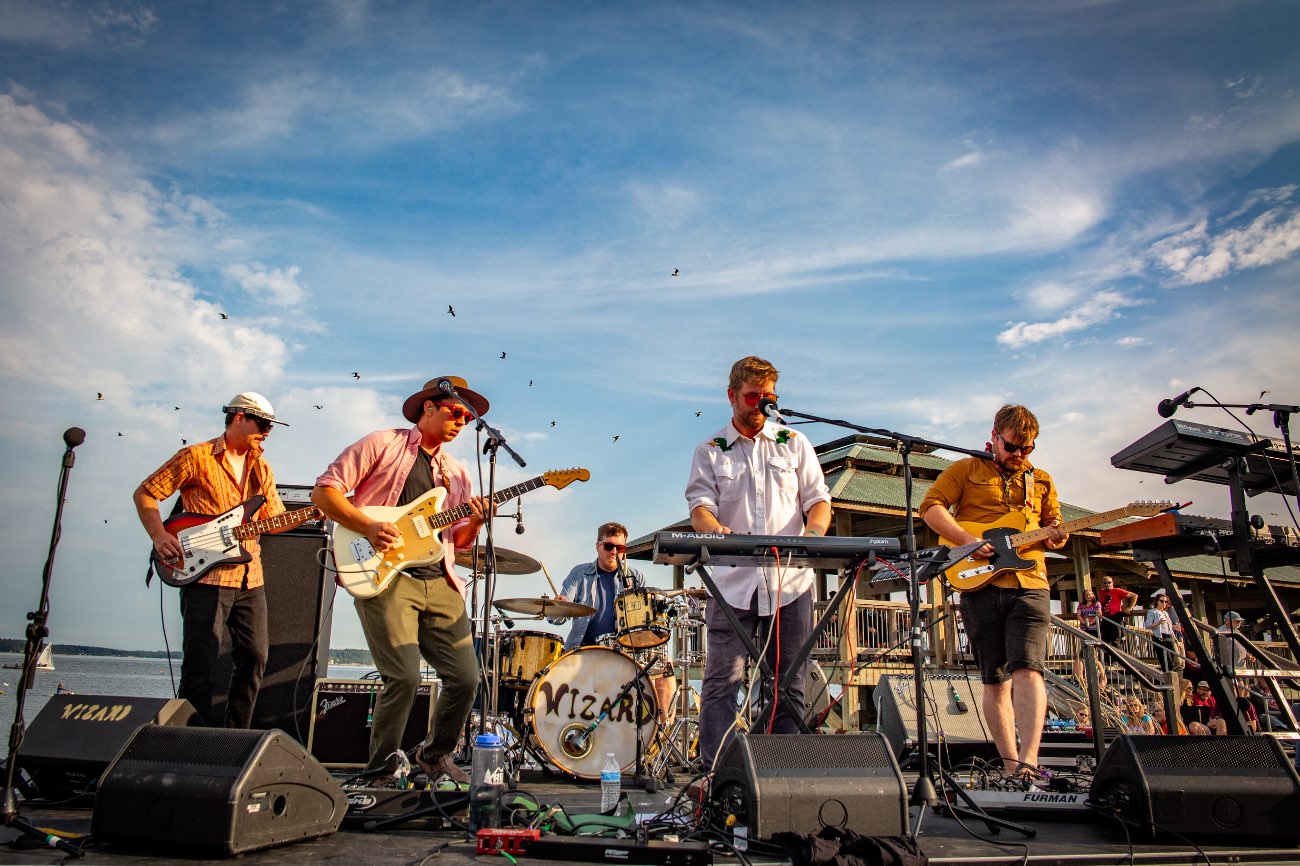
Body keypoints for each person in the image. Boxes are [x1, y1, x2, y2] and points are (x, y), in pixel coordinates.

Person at [312, 376, 495, 784]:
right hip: (386, 577)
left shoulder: (458, 473)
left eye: (468, 416)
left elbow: (458, 542)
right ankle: (378, 770)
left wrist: (477, 521)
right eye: (456, 412)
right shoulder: (383, 444)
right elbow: (324, 492)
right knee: (405, 677)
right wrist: (370, 527)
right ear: (428, 408)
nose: (462, 420)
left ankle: (434, 755)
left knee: (466, 678)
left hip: (440, 581)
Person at [685, 356, 831, 770]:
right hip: (734, 583)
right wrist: (717, 532)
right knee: (720, 683)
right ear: (731, 396)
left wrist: (814, 537)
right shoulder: (711, 450)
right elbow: (700, 508)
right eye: (752, 396)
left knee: (789, 683)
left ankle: (777, 773)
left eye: (769, 397)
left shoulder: (795, 442)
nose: (761, 405)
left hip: (791, 583)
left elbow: (818, 500)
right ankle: (719, 774)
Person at [919, 404, 1068, 778]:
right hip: (980, 583)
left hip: (1030, 583)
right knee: (994, 678)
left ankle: (1029, 764)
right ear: (994, 437)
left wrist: (1058, 535)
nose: (1019, 455)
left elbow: (1054, 528)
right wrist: (967, 541)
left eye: (1027, 448)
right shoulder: (966, 469)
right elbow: (931, 507)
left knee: (1029, 669)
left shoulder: (1042, 479)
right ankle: (1009, 764)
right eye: (1013, 446)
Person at [133, 392, 288, 727]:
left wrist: (320, 510)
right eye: (262, 424)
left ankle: (233, 738)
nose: (267, 432)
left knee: (256, 658)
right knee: (200, 666)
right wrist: (159, 536)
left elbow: (275, 520)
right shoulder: (196, 456)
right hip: (204, 577)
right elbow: (146, 492)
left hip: (250, 577)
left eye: (271, 426)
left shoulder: (261, 468)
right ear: (238, 418)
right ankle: (191, 742)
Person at [553, 522, 646, 651]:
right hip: (581, 651)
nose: (614, 552)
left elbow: (642, 624)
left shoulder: (636, 577)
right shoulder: (579, 573)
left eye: (620, 548)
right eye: (609, 546)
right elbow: (557, 619)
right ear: (598, 546)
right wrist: (557, 608)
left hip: (622, 654)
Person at [1097, 576, 1137, 647]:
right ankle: (1107, 658)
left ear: (1112, 583)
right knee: (1105, 641)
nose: (1107, 584)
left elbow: (1134, 596)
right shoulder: (1101, 592)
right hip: (1105, 618)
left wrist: (1130, 607)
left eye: (1109, 582)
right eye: (1105, 583)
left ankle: (1116, 657)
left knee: (1115, 639)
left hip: (1116, 617)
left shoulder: (1117, 591)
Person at [1144, 591, 1176, 672]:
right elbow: (1147, 625)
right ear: (1157, 601)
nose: (1164, 603)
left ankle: (1169, 677)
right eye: (1162, 601)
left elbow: (1169, 627)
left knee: (1172, 661)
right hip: (1160, 637)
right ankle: (1167, 678)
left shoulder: (1165, 613)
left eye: (1165, 601)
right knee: (1165, 661)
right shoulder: (1153, 612)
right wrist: (1158, 623)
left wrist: (1175, 638)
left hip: (1169, 637)